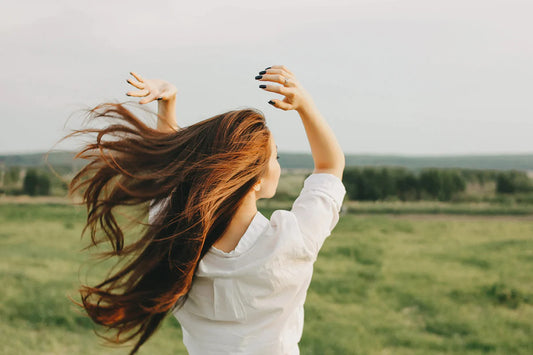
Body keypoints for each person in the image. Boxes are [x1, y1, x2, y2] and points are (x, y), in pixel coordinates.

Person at [65, 65, 346, 355]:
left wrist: (168, 104)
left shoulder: (175, 240)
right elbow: (330, 167)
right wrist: (306, 106)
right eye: (274, 157)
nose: (278, 163)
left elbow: (171, 177)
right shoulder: (292, 240)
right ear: (255, 180)